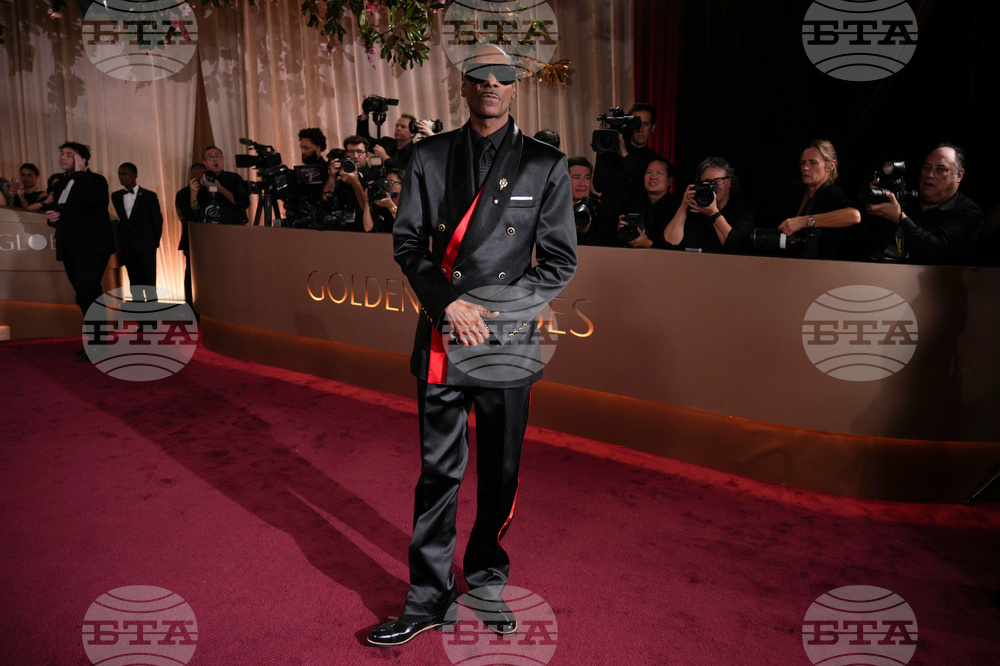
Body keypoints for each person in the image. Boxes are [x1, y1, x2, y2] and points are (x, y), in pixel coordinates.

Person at [368, 44, 577, 648]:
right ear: (462, 87)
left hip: (505, 342)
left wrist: (488, 312)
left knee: (501, 475)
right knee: (438, 474)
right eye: (479, 76)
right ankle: (428, 597)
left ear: (516, 88)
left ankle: (484, 579)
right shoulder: (428, 156)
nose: (490, 82)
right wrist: (448, 304)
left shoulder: (546, 163)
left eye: (503, 76)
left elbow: (559, 262)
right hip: (442, 335)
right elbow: (408, 244)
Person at [44, 142, 115, 349]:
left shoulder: (96, 180)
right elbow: (59, 214)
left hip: (93, 245)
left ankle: (98, 341)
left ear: (83, 160)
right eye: (61, 154)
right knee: (85, 293)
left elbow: (95, 200)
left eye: (69, 154)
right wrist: (52, 217)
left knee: (87, 290)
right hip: (70, 246)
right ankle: (98, 338)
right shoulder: (59, 185)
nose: (62, 158)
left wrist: (81, 173)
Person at [865, 143, 983, 265]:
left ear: (959, 175)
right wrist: (874, 206)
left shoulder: (968, 212)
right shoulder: (905, 199)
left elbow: (938, 253)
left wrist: (899, 218)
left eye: (940, 170)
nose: (929, 175)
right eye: (926, 168)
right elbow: (868, 242)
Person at [776, 139, 861, 260]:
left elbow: (854, 216)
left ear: (830, 166)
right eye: (803, 163)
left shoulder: (831, 192)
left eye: (813, 163)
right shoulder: (805, 197)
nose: (805, 168)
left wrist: (805, 221)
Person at [663, 156, 755, 253]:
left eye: (718, 181)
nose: (713, 187)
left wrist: (713, 213)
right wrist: (684, 206)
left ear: (729, 182)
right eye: (707, 183)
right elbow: (669, 244)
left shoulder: (742, 210)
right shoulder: (693, 209)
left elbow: (737, 246)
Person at [111, 162, 163, 303]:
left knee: (149, 285)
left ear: (135, 175)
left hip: (146, 246)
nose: (122, 177)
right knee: (134, 285)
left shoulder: (149, 196)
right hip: (127, 246)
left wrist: (153, 243)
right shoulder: (115, 196)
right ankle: (141, 321)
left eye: (125, 174)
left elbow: (157, 220)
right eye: (120, 174)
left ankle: (152, 322)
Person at [616, 157, 679, 248]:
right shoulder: (632, 204)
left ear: (670, 180)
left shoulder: (678, 206)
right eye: (649, 172)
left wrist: (649, 245)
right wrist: (624, 232)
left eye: (659, 173)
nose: (653, 177)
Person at [190, 146, 250, 225]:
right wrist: (193, 195)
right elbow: (194, 213)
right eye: (210, 157)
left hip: (233, 226)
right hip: (208, 229)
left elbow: (244, 204)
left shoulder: (234, 178)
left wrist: (221, 190)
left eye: (217, 156)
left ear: (223, 160)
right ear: (204, 163)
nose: (215, 160)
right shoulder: (200, 183)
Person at [176, 163, 207, 306]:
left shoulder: (210, 191)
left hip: (211, 239)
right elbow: (185, 217)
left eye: (203, 174)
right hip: (191, 239)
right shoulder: (182, 194)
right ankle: (191, 307)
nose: (201, 177)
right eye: (199, 174)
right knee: (191, 275)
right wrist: (193, 196)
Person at [357, 106, 417, 171]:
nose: (398, 129)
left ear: (412, 133)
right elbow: (364, 140)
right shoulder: (386, 142)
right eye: (397, 126)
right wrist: (365, 114)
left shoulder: (415, 151)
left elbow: (405, 170)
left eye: (403, 127)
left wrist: (385, 157)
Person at [366, 168, 404, 233]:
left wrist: (391, 206)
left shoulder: (410, 205)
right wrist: (367, 200)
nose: (388, 186)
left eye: (391, 182)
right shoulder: (383, 204)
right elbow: (368, 228)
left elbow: (405, 226)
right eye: (386, 183)